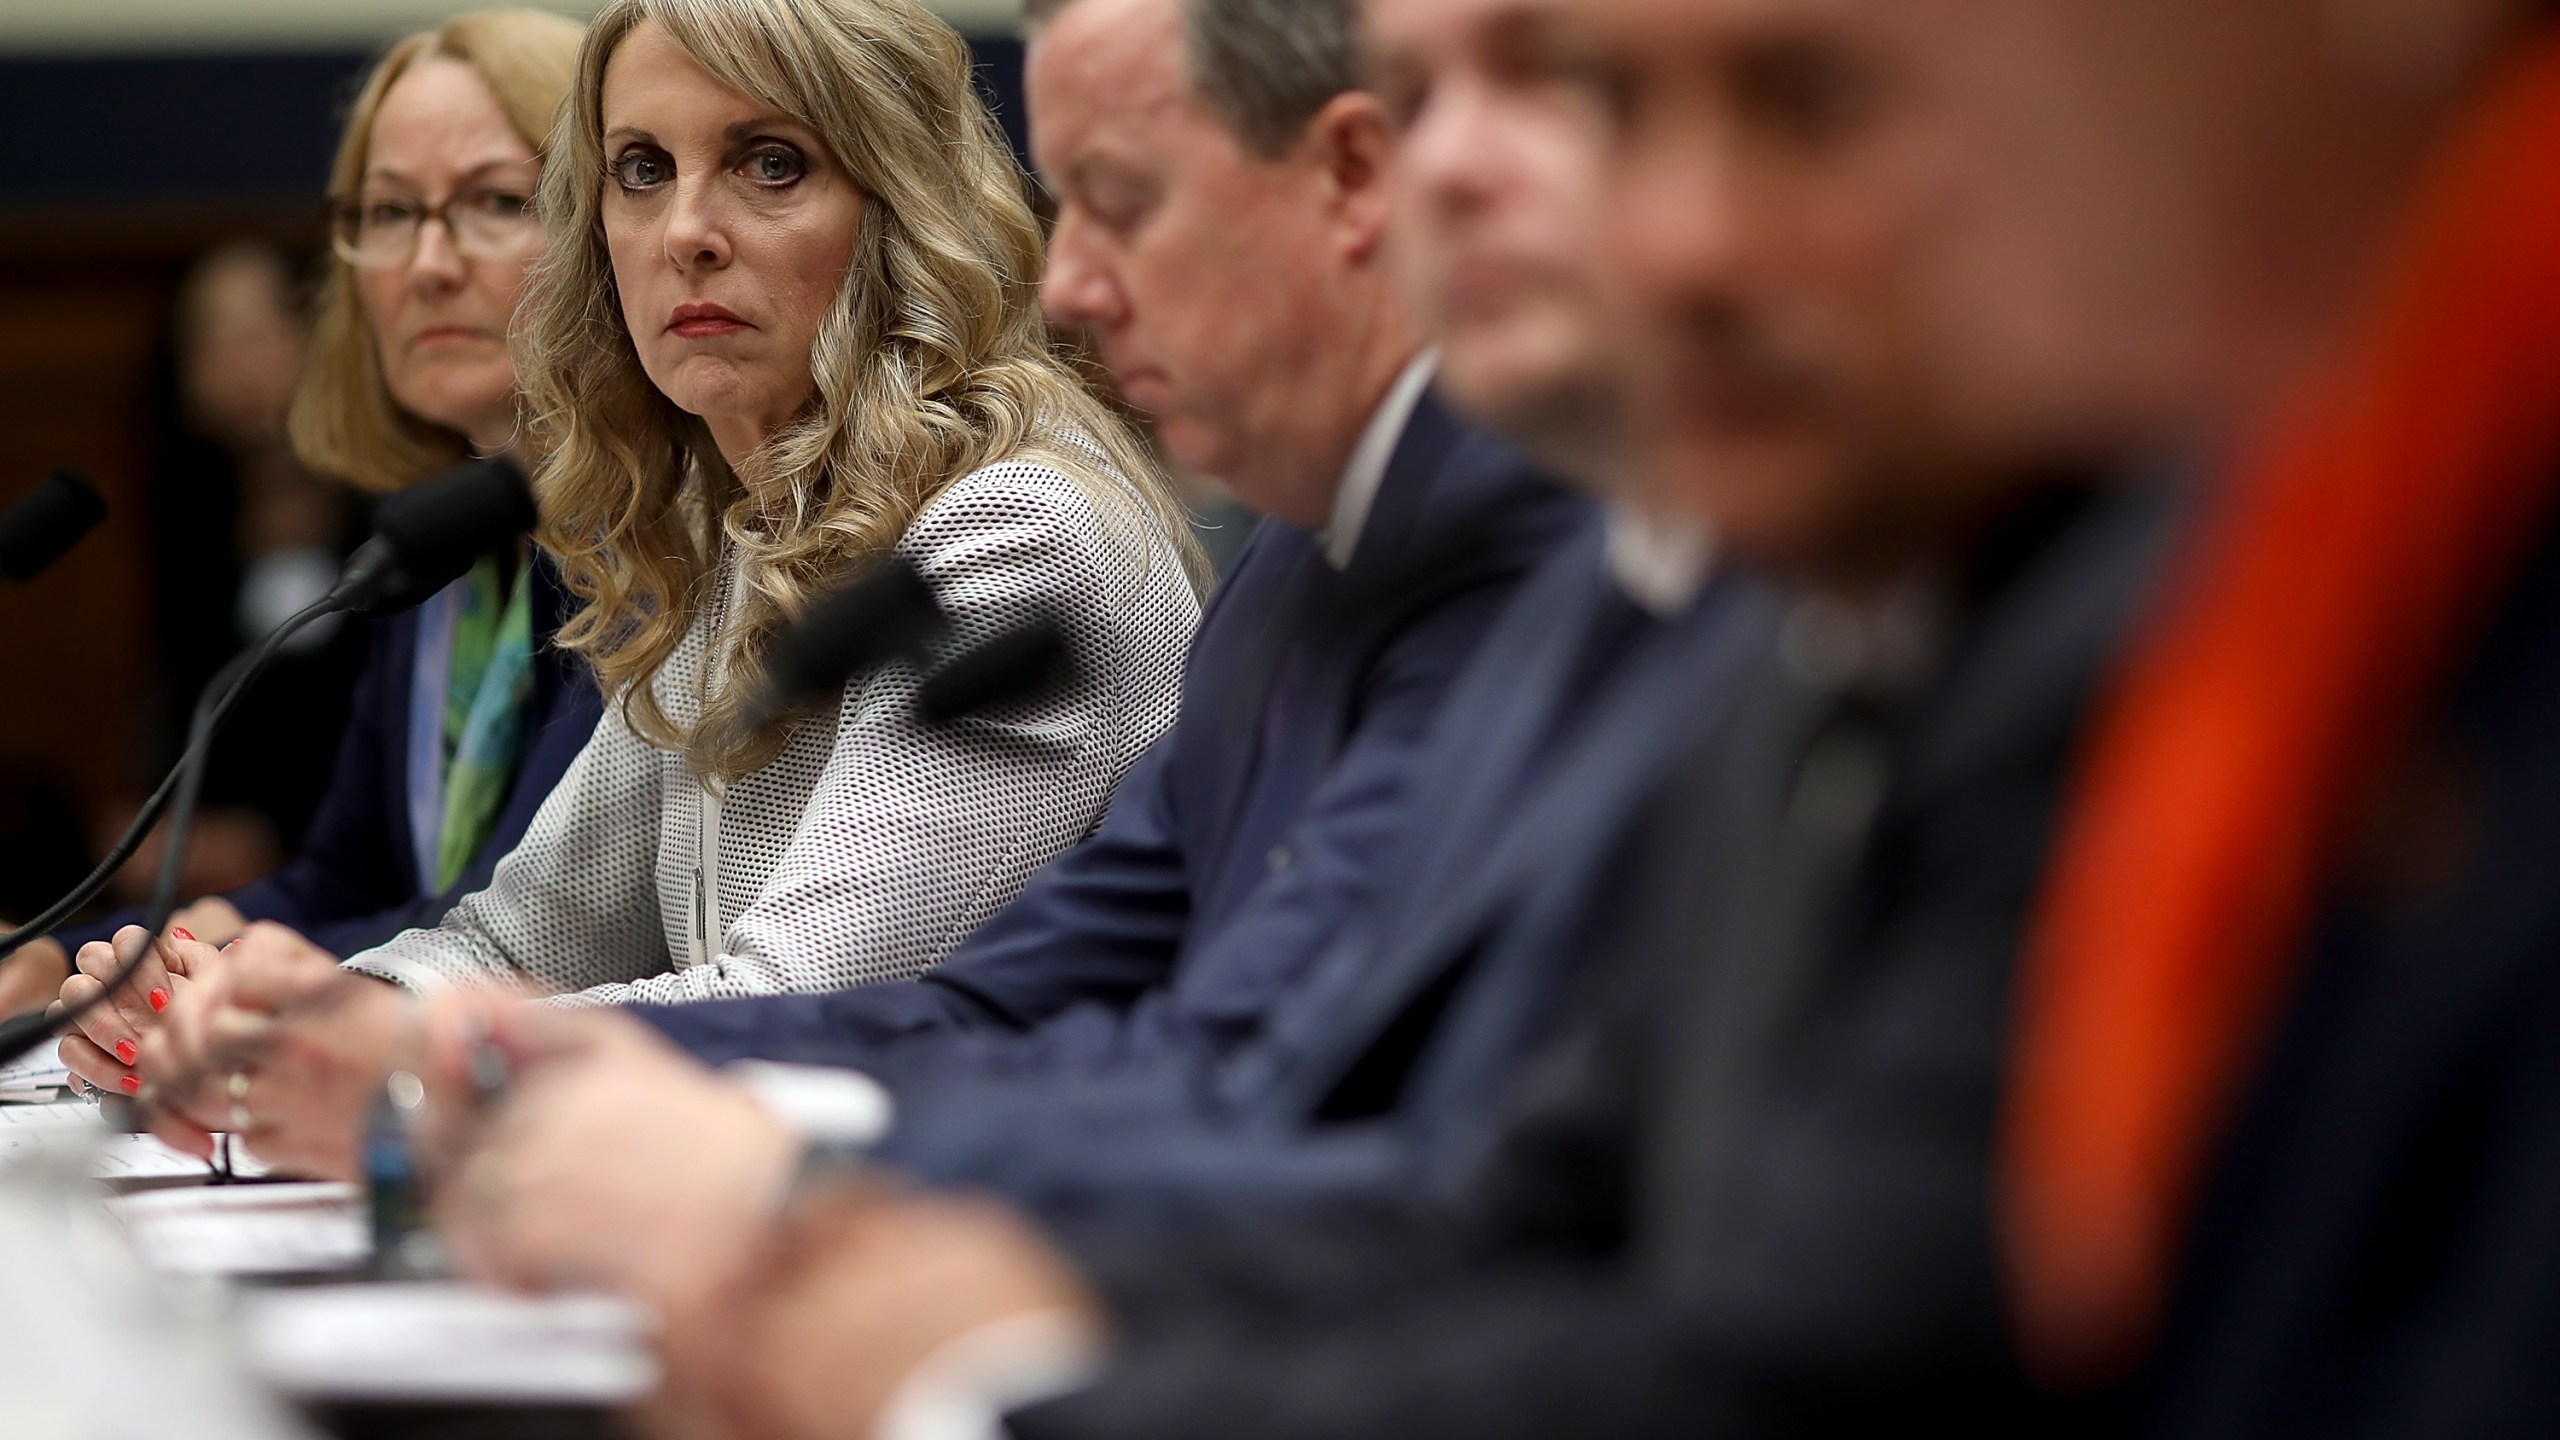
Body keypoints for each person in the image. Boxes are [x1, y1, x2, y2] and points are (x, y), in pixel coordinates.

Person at [619, 0, 2560, 1435]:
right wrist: (934, 1303)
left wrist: (977, 1366)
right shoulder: (1607, 589)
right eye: (1623, 105)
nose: (1678, 239)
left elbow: (1800, 1365)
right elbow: (1516, 1206)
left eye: (1807, 98)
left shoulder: (2090, 607)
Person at [426, 0, 1766, 1317]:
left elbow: (1288, 1097)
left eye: (1121, 199)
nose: (1067, 282)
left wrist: (796, 1189)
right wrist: (468, 1046)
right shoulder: (1297, 566)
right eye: (639, 175)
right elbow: (1025, 1010)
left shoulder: (1487, 538)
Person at [121, 0, 1205, 1178]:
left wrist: (394, 1047)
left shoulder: (1011, 527)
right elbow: (519, 932)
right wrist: (259, 1021)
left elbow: (801, 1001)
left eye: (770, 164)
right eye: (641, 170)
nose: (685, 228)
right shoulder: (750, 525)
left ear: (900, 205)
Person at [10, 12, 604, 1039]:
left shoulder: (645, 551)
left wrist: (226, 962)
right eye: (386, 212)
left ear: (610, 225)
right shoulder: (440, 556)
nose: (426, 264)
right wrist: (71, 957)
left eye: (497, 202)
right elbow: (346, 873)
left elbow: (522, 928)